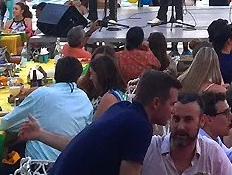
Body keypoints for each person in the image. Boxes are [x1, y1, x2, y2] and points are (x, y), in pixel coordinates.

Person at [37, 70, 182, 173]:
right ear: (156, 103)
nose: (173, 110)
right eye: (172, 104)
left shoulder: (121, 108)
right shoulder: (140, 126)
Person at [0, 57, 92, 162]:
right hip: (72, 164)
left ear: (55, 75)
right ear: (78, 77)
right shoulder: (84, 98)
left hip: (39, 167)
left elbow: (6, 124)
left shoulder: (42, 94)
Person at [140, 91, 232, 175]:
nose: (181, 126)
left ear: (202, 121)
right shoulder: (149, 148)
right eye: (176, 119)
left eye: (188, 120)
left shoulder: (212, 152)